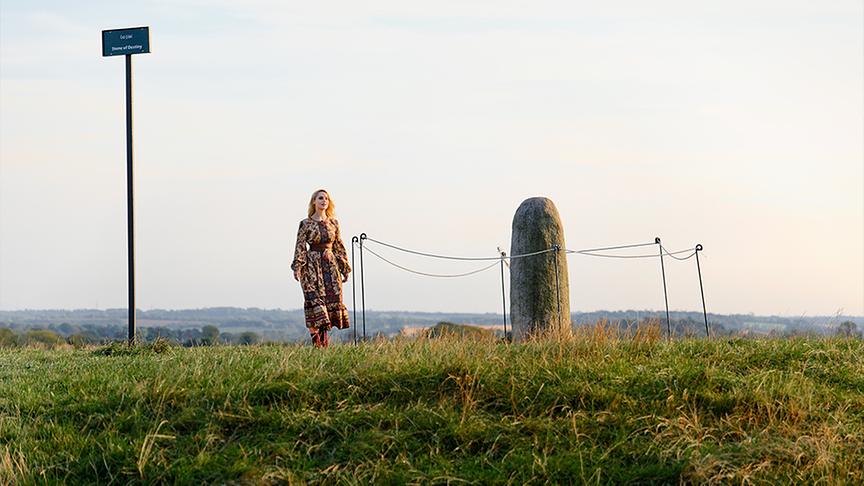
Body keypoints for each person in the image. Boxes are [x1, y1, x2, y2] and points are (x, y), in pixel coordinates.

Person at [291, 189, 351, 347]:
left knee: (328, 305)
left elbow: (339, 246)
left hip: (331, 268)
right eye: (320, 198)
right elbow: (300, 247)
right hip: (312, 267)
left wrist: (344, 267)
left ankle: (324, 346)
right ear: (314, 202)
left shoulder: (334, 223)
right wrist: (298, 267)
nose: (324, 201)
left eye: (326, 198)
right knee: (315, 303)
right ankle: (317, 344)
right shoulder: (305, 224)